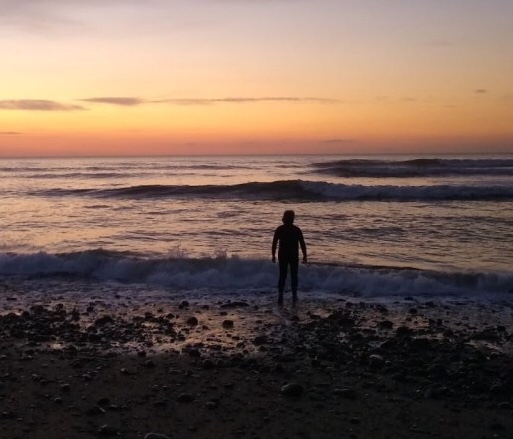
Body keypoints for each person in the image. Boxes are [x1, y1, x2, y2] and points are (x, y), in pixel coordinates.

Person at [272, 210, 307, 305]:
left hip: (282, 255)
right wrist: (305, 255)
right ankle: (294, 295)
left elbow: (274, 243)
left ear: (284, 218)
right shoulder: (296, 229)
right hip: (293, 255)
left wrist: (273, 255)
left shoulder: (280, 229)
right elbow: (302, 243)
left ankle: (280, 295)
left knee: (282, 275)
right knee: (294, 276)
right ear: (292, 219)